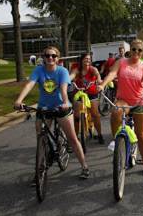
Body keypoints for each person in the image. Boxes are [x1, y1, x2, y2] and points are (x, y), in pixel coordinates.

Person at [14, 46, 90, 179]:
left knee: (72, 138)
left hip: (61, 107)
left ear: (57, 58)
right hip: (44, 107)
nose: (50, 58)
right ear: (43, 58)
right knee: (40, 139)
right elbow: (29, 85)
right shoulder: (38, 70)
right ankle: (39, 172)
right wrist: (19, 100)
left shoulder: (62, 71)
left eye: (53, 56)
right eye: (47, 55)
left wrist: (66, 102)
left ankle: (84, 166)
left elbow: (63, 89)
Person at [98, 39, 143, 176]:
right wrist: (103, 84)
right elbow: (112, 74)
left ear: (142, 53)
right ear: (130, 50)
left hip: (139, 101)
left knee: (141, 135)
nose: (136, 52)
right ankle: (116, 140)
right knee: (115, 112)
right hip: (123, 100)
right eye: (134, 49)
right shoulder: (121, 62)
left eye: (139, 50)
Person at [70, 53, 104, 144]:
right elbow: (72, 75)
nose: (88, 61)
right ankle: (76, 137)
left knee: (95, 114)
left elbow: (97, 75)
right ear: (81, 60)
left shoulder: (93, 69)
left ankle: (100, 134)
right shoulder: (77, 69)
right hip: (79, 93)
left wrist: (99, 81)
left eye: (89, 59)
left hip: (91, 93)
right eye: (85, 59)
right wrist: (67, 80)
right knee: (76, 115)